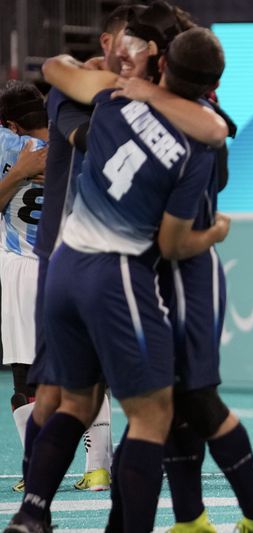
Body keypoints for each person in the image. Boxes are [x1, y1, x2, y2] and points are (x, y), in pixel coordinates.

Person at [4, 27, 230, 533]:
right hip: (116, 275)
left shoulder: (105, 97)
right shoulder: (195, 142)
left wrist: (131, 85)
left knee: (70, 400)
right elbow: (177, 234)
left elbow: (57, 67)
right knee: (153, 412)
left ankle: (32, 513)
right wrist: (214, 232)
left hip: (61, 264)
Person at [0, 81, 49, 493]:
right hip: (73, 267)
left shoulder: (4, 144)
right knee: (88, 376)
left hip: (20, 270)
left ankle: (37, 468)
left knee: (25, 382)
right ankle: (98, 467)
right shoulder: (74, 143)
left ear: (10, 123)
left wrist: (17, 174)